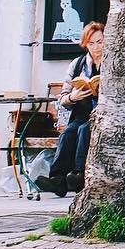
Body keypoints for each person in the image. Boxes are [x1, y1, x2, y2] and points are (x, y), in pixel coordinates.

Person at [35, 21, 103, 197]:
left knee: (84, 130)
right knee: (68, 132)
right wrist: (73, 97)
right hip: (82, 112)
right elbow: (63, 98)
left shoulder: (112, 63)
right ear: (85, 44)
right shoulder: (78, 64)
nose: (96, 47)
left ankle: (79, 175)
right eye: (91, 43)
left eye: (100, 42)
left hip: (103, 115)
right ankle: (57, 179)